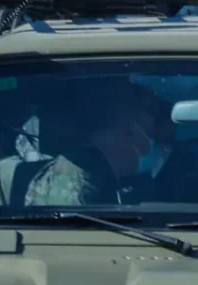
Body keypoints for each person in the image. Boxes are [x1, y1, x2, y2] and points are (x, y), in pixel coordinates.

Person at [21, 83, 169, 207]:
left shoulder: (94, 173)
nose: (155, 141)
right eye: (151, 133)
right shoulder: (77, 185)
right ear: (130, 131)